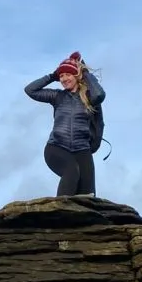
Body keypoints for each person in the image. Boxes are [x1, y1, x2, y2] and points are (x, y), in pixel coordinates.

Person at [24, 51, 106, 197]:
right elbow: (30, 90)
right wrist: (52, 76)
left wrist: (85, 73)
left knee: (88, 195)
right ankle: (59, 215)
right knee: (72, 171)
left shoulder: (89, 98)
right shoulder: (57, 96)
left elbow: (99, 96)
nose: (64, 78)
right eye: (61, 76)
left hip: (82, 150)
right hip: (57, 147)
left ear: (76, 76)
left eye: (68, 74)